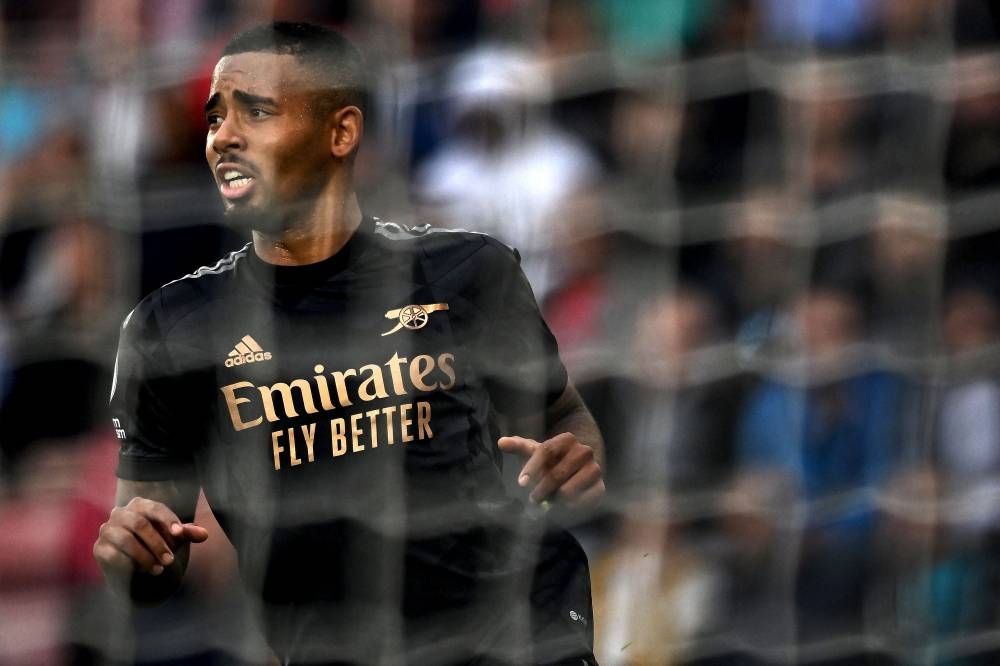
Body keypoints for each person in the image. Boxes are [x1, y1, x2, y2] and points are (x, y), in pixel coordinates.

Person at [92, 21, 605, 666]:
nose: (223, 136)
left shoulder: (468, 270)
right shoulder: (170, 327)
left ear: (342, 132)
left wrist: (576, 459)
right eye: (214, 116)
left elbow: (565, 419)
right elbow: (152, 565)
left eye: (257, 112)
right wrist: (133, 551)